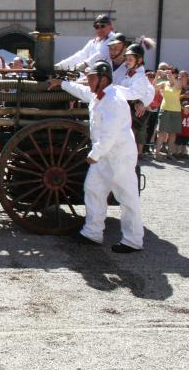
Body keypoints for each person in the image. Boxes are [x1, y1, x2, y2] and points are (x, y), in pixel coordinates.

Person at [48, 60, 144, 253]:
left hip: (118, 156)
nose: (88, 82)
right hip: (104, 156)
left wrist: (94, 154)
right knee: (93, 189)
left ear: (103, 79)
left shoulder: (114, 100)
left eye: (91, 78)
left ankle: (133, 241)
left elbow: (111, 133)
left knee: (127, 197)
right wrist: (62, 84)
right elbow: (82, 92)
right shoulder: (99, 95)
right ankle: (92, 232)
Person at [116, 43, 155, 155]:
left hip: (135, 112)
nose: (127, 61)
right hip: (129, 108)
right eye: (126, 59)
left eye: (130, 59)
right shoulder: (131, 73)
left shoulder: (140, 76)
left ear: (139, 60)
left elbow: (148, 91)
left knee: (127, 140)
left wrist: (143, 102)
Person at [154, 66, 182, 161]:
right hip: (165, 109)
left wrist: (171, 76)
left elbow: (178, 86)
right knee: (162, 132)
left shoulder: (178, 83)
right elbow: (153, 88)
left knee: (173, 133)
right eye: (169, 73)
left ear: (176, 74)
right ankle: (157, 153)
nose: (170, 75)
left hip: (176, 110)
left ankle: (170, 153)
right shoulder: (164, 83)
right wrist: (157, 75)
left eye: (173, 73)